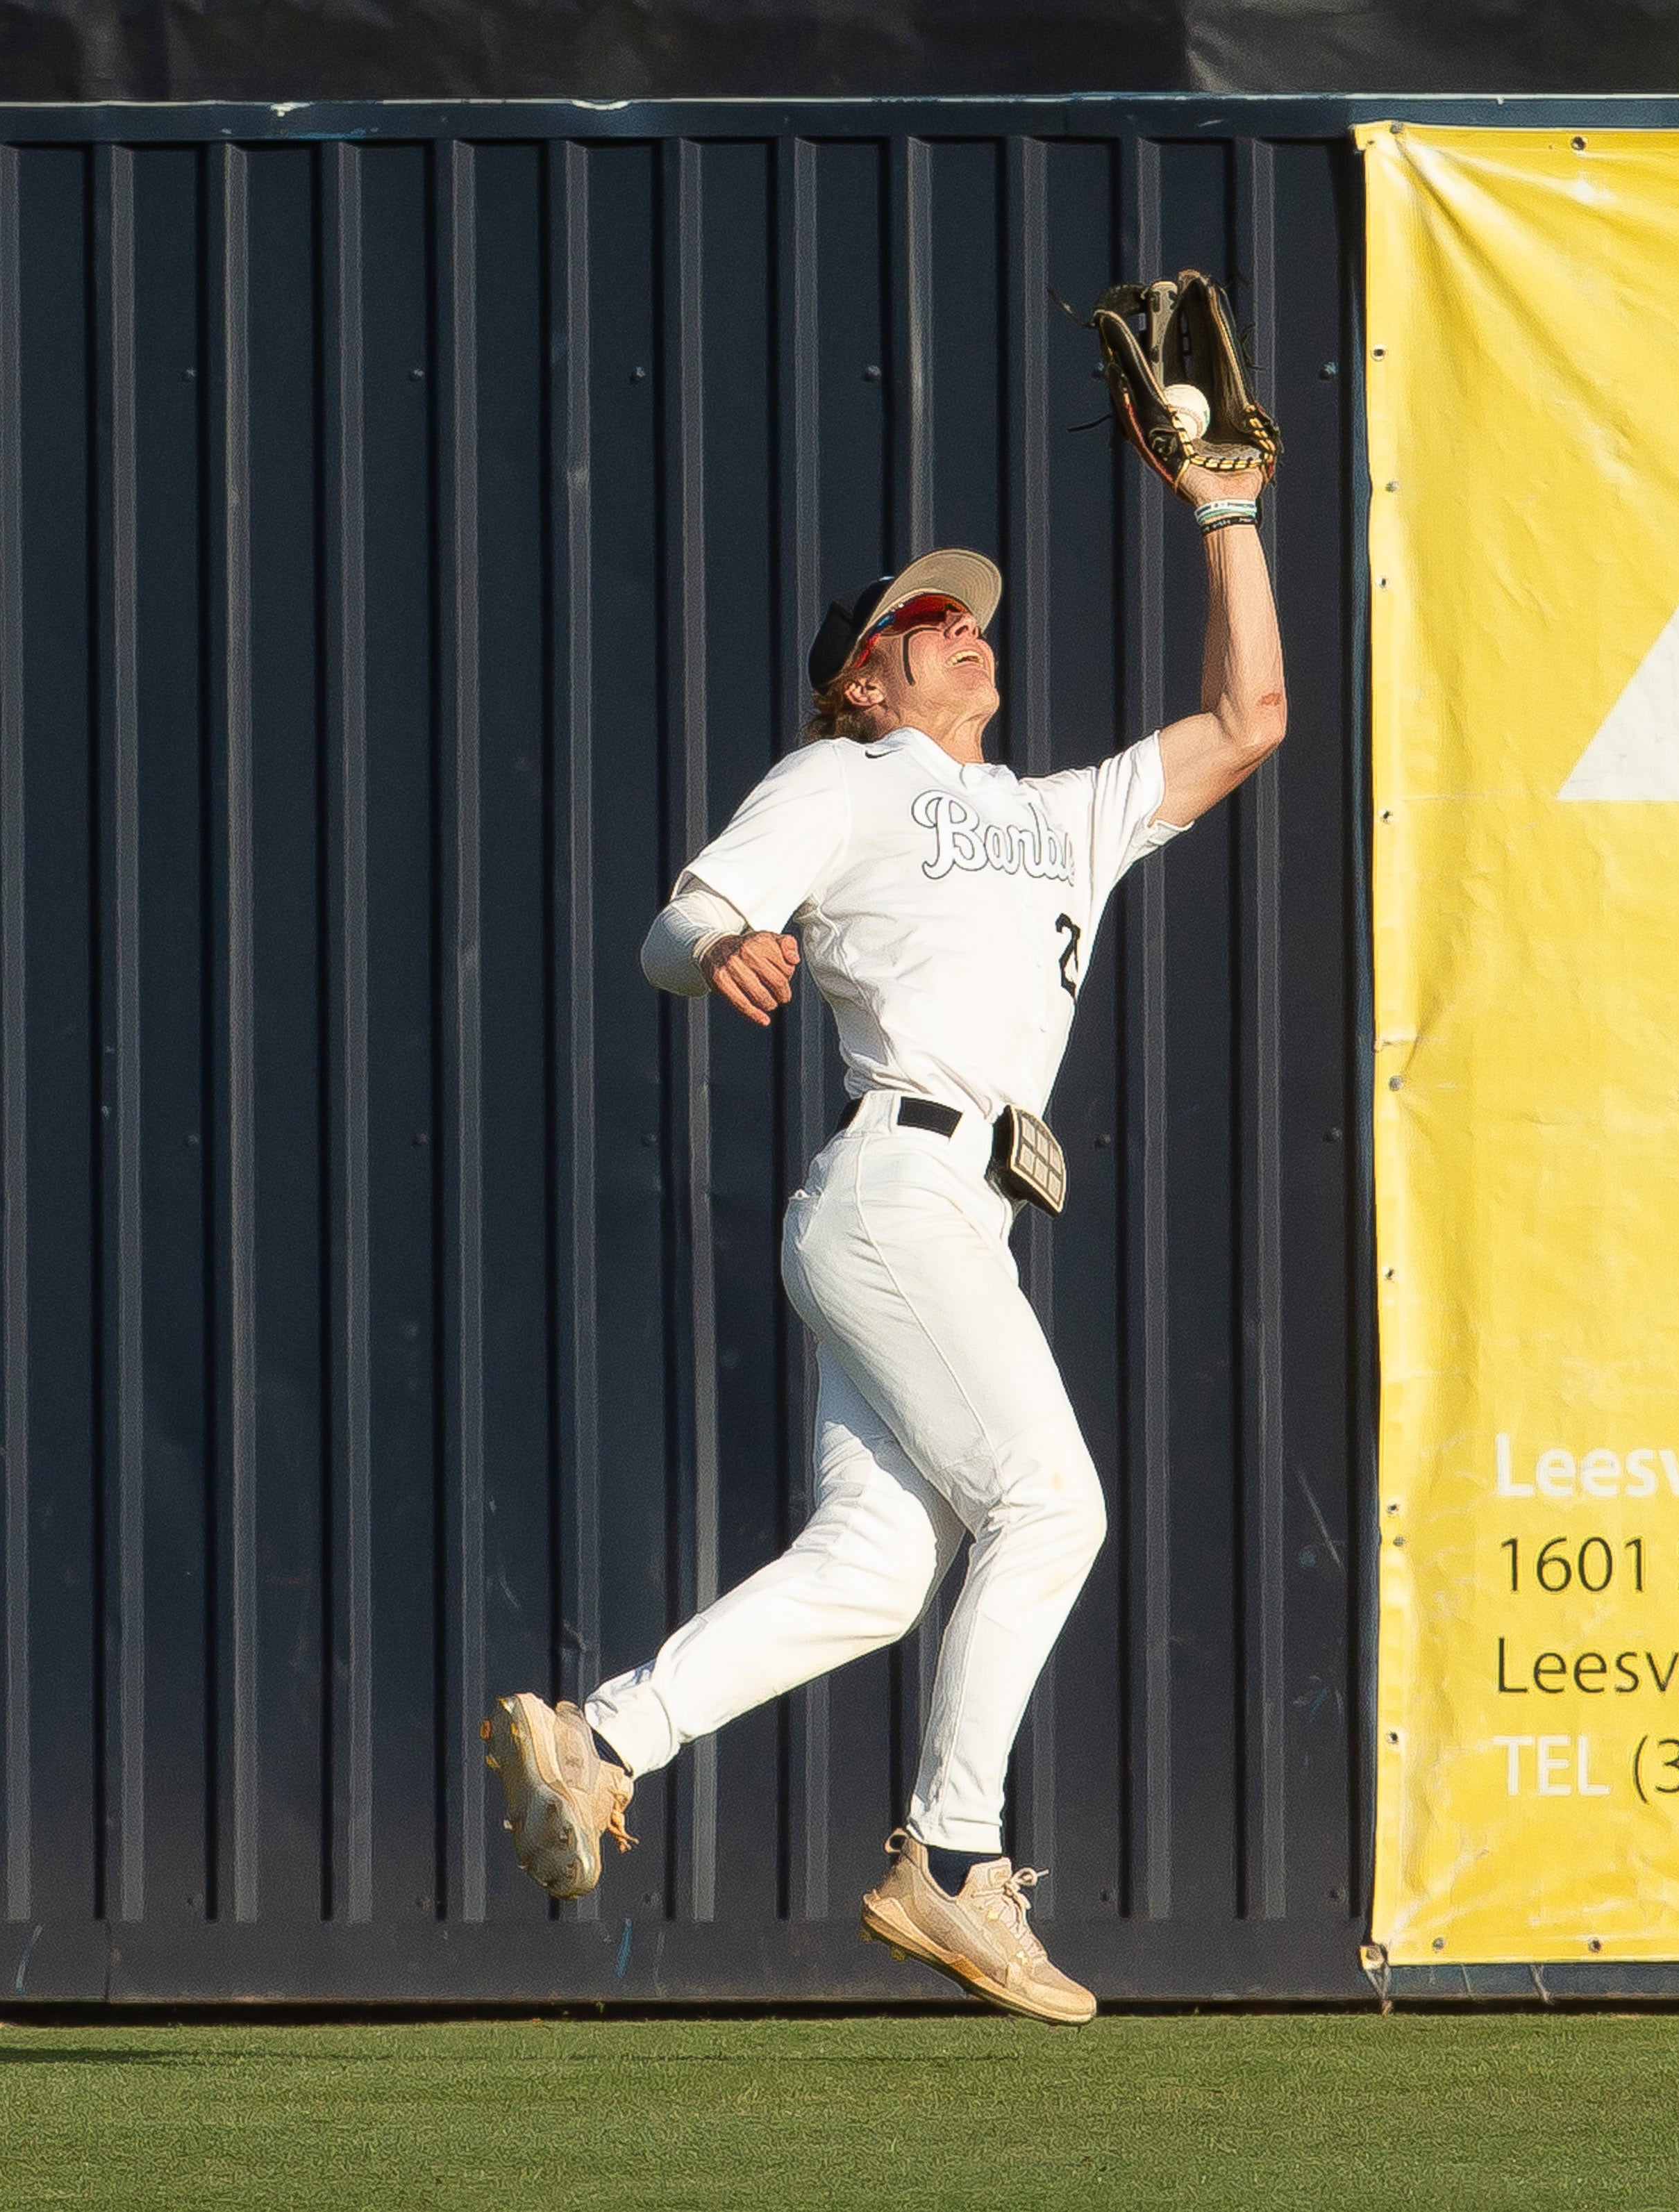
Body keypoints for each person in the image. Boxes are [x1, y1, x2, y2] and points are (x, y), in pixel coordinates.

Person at [486, 452, 1283, 2024]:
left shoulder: (1059, 816)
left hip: (956, 1225)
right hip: (894, 1188)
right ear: (862, 677)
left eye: (974, 615)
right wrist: (721, 944)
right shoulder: (844, 779)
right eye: (925, 618)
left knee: (871, 1571)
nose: (964, 627)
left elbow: (1249, 721)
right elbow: (675, 920)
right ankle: (955, 1859)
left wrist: (1225, 512)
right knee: (1049, 1506)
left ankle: (602, 1743)